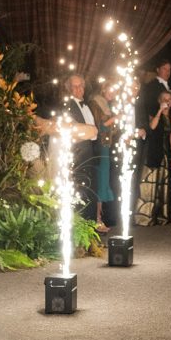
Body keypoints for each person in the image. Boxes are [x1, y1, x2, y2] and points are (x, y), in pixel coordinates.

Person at [133, 90, 171, 226]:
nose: (167, 102)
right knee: (148, 183)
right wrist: (159, 112)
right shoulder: (153, 114)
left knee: (162, 185)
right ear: (160, 101)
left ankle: (160, 216)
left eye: (169, 99)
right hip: (151, 152)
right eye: (165, 99)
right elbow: (151, 127)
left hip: (164, 153)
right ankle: (145, 217)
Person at [62, 74, 98, 221]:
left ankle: (90, 224)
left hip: (89, 152)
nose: (78, 89)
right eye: (75, 86)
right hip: (78, 154)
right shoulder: (68, 105)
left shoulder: (86, 105)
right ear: (69, 89)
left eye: (81, 85)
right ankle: (81, 224)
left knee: (89, 189)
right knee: (80, 190)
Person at [89, 81, 118, 231]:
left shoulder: (108, 105)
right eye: (110, 89)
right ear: (104, 88)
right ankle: (97, 219)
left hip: (106, 146)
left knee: (103, 182)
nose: (113, 92)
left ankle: (100, 218)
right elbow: (99, 126)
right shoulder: (95, 102)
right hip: (99, 146)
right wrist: (116, 118)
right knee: (99, 182)